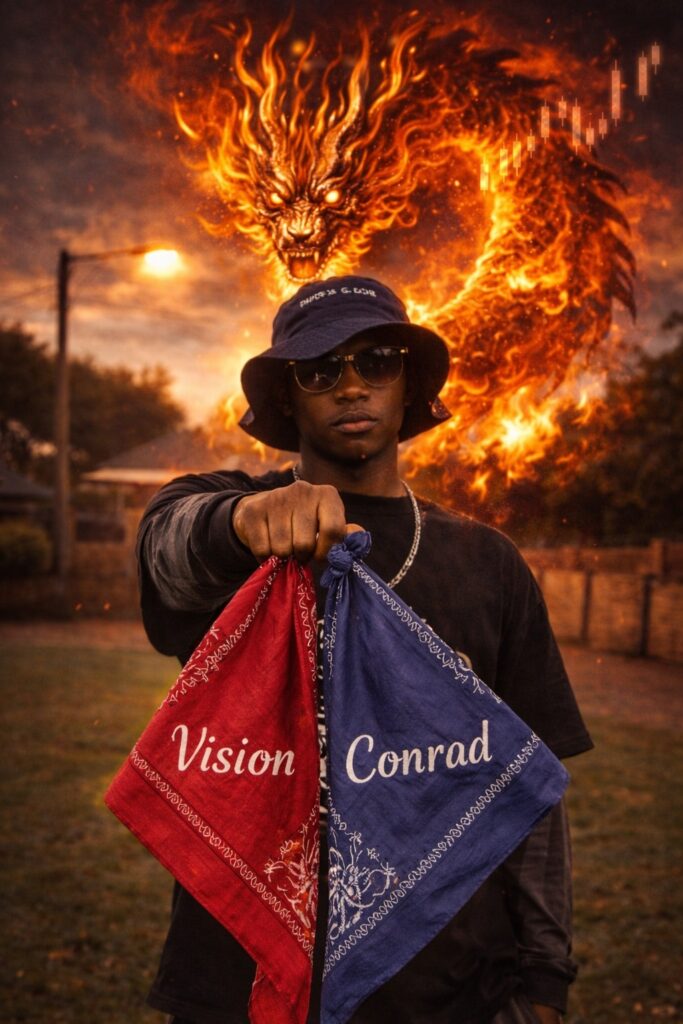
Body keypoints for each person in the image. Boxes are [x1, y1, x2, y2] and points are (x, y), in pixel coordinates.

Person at [136, 275, 593, 1024]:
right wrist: (246, 519)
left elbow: (530, 792)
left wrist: (545, 983)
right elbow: (167, 543)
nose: (350, 386)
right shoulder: (232, 528)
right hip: (242, 976)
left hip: (444, 982)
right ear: (287, 398)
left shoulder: (486, 562)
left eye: (375, 361)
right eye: (320, 370)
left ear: (407, 382)